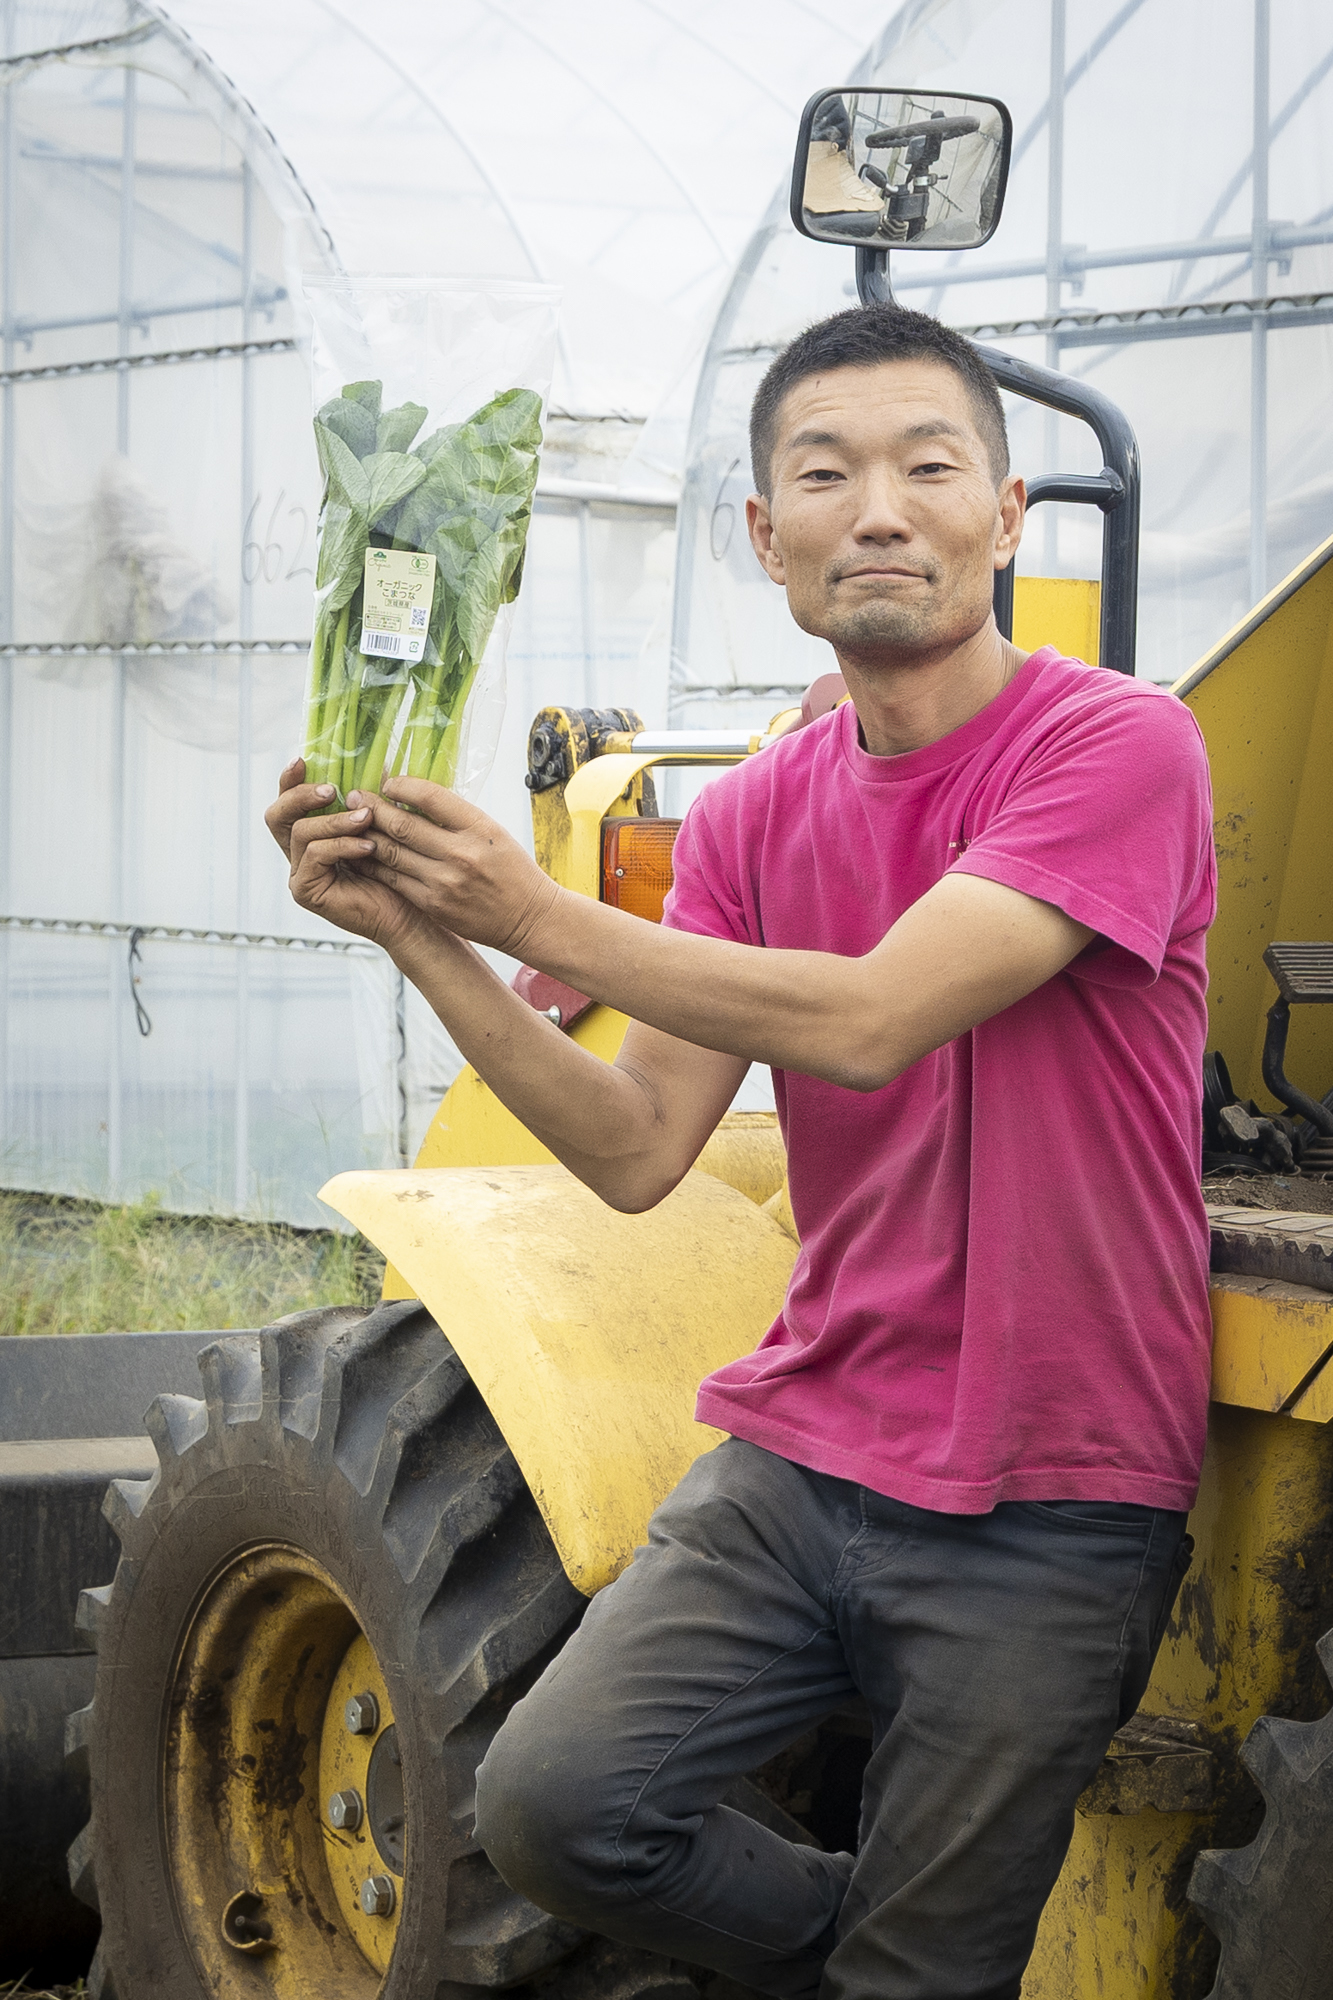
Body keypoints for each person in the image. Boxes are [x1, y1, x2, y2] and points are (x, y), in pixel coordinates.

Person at [266, 303, 1215, 2000]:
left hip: (1047, 1484)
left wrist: (541, 906)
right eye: (824, 474)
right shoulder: (759, 812)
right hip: (803, 1457)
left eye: (929, 468)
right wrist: (419, 935)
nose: (879, 509)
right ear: (766, 539)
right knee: (552, 1813)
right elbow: (633, 1148)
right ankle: (882, 1955)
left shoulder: (1113, 749)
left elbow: (867, 1016)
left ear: (1004, 519)